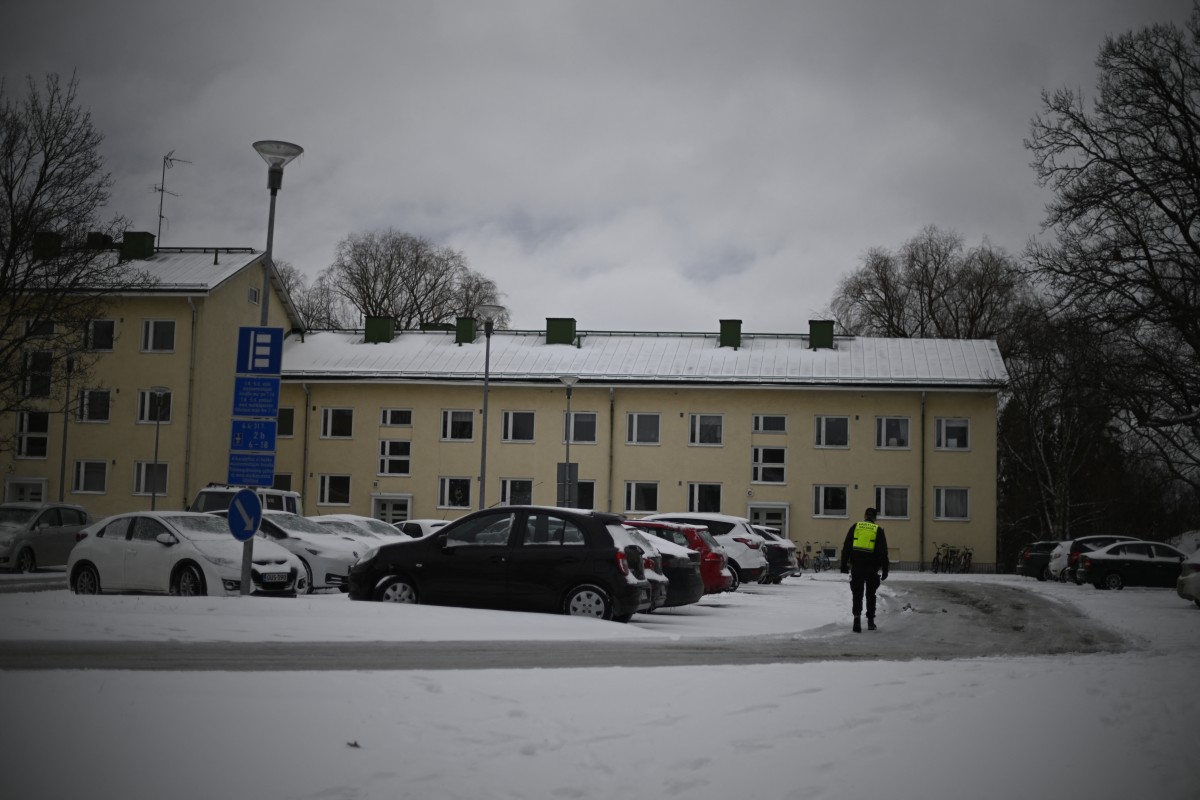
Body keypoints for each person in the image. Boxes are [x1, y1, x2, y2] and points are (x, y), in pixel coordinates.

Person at [840, 507, 889, 632]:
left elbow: (846, 546)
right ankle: (870, 622)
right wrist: (885, 569)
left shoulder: (855, 527)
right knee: (870, 595)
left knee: (857, 594)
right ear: (875, 518)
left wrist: (844, 564)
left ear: (865, 516)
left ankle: (857, 620)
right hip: (872, 568)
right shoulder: (877, 530)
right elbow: (883, 552)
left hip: (857, 566)